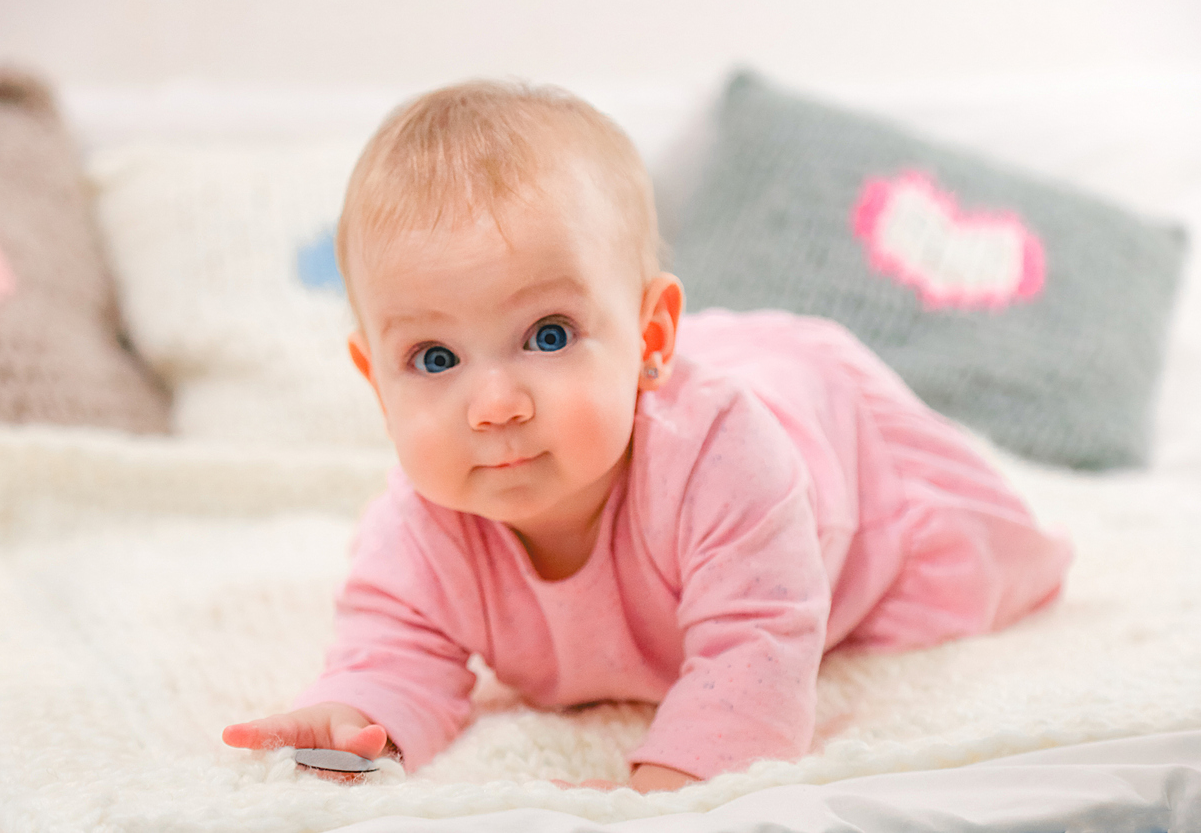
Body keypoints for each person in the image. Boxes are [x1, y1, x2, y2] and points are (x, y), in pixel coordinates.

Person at [222, 80, 1072, 793]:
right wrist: (350, 723)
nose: (494, 405)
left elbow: (758, 655)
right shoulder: (419, 526)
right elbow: (393, 658)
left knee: (948, 577)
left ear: (651, 336)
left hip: (827, 451)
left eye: (548, 335)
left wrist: (667, 791)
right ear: (376, 381)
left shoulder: (726, 462)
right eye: (433, 357)